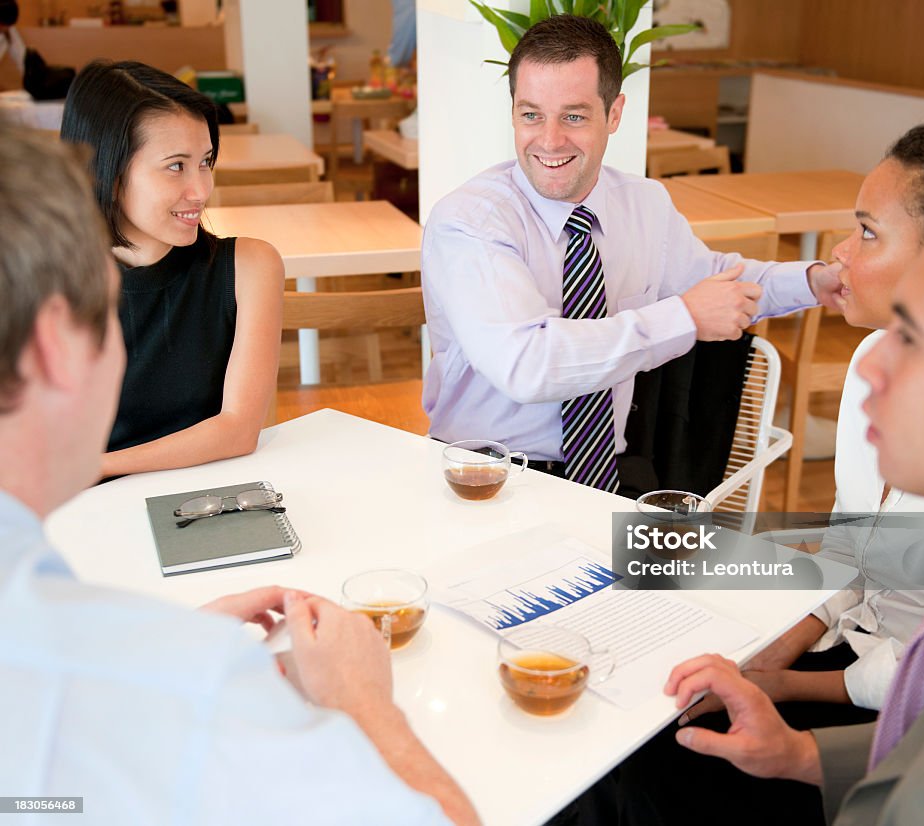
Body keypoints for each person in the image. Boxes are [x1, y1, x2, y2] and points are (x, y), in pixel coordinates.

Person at [0, 124, 478, 825]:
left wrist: (155, 649)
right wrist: (363, 703)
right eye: (109, 318)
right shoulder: (189, 686)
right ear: (56, 347)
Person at [587, 116, 924, 826]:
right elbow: (853, 551)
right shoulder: (870, 365)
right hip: (852, 662)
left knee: (641, 779)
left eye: (868, 233)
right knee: (625, 737)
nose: (841, 257)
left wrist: (785, 687)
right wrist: (770, 658)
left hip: (872, 693)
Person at [421, 14, 840, 492]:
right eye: (531, 114)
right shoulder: (471, 221)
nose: (550, 139)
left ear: (614, 114)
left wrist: (813, 281)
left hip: (613, 470)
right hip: (489, 475)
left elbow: (717, 280)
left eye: (574, 116)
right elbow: (526, 365)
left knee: (689, 565)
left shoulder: (643, 204)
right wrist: (682, 318)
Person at [60, 60, 284, 479]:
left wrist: (94, 467)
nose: (200, 191)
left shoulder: (250, 268)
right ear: (107, 172)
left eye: (206, 161)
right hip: (80, 515)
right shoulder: (44, 284)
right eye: (176, 166)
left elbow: (237, 430)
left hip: (209, 503)